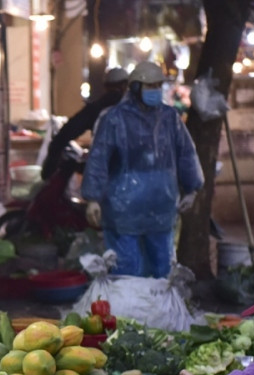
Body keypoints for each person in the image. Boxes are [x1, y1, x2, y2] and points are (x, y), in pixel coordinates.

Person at [80, 61, 203, 278]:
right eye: (149, 86)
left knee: (161, 272)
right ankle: (128, 313)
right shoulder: (114, 119)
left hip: (161, 209)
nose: (155, 90)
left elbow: (186, 153)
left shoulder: (169, 118)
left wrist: (192, 188)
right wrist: (92, 198)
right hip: (123, 211)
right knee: (127, 273)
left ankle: (158, 312)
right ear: (135, 87)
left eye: (157, 85)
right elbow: (99, 158)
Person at [40, 67, 130, 180]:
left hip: (105, 174)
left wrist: (50, 170)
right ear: (126, 86)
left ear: (105, 86)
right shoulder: (136, 110)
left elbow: (64, 135)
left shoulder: (96, 108)